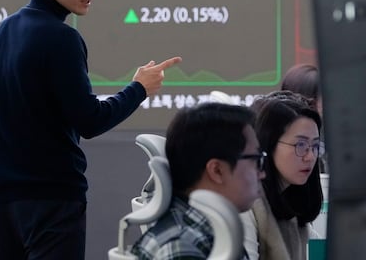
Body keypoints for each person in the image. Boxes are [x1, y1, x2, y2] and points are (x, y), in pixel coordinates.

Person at [0, 0, 182, 260]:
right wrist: (139, 88)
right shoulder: (62, 38)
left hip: (1, 198)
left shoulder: (2, 31)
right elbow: (89, 120)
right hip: (52, 201)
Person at [130, 102, 267, 259]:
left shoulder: (211, 233)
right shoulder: (181, 247)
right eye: (256, 160)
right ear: (217, 170)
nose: (262, 174)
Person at [242, 91, 323, 260]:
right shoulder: (244, 207)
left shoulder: (292, 203)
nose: (310, 156)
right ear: (267, 144)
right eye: (300, 145)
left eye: (315, 146)